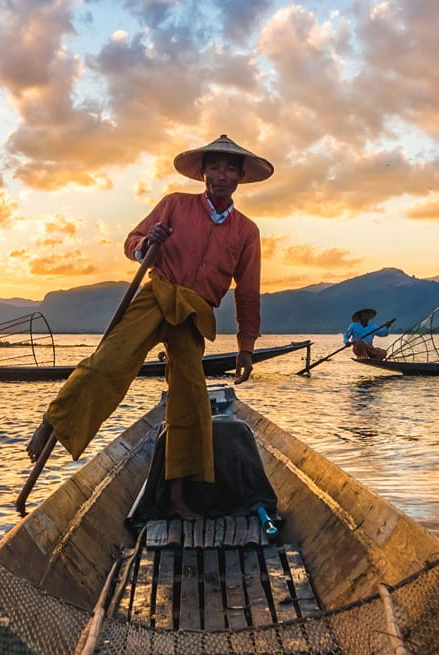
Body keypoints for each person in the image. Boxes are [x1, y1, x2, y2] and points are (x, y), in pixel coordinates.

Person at [25, 134, 273, 520]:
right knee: (111, 362)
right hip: (156, 294)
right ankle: (54, 421)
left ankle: (177, 498)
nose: (222, 175)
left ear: (240, 176)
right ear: (203, 173)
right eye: (215, 167)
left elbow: (248, 293)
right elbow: (132, 241)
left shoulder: (246, 231)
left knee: (190, 402)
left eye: (230, 169)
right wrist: (147, 243)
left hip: (194, 313)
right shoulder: (175, 204)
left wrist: (246, 346)